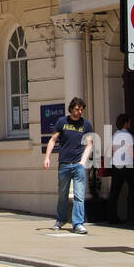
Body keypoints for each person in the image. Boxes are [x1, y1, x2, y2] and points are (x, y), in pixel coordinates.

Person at [43, 97, 94, 234]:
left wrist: (83, 162)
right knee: (62, 194)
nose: (79, 111)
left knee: (79, 195)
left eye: (81, 109)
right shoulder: (62, 122)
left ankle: (78, 224)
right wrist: (47, 157)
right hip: (64, 164)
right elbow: (53, 140)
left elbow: (89, 144)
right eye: (77, 108)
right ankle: (60, 219)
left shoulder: (86, 125)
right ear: (71, 108)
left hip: (78, 166)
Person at [109, 113, 134, 225]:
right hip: (126, 165)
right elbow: (132, 153)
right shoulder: (128, 136)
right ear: (126, 123)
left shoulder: (115, 135)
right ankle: (131, 215)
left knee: (114, 192)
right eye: (129, 121)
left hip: (116, 165)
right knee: (133, 191)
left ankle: (112, 217)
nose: (130, 123)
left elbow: (113, 150)